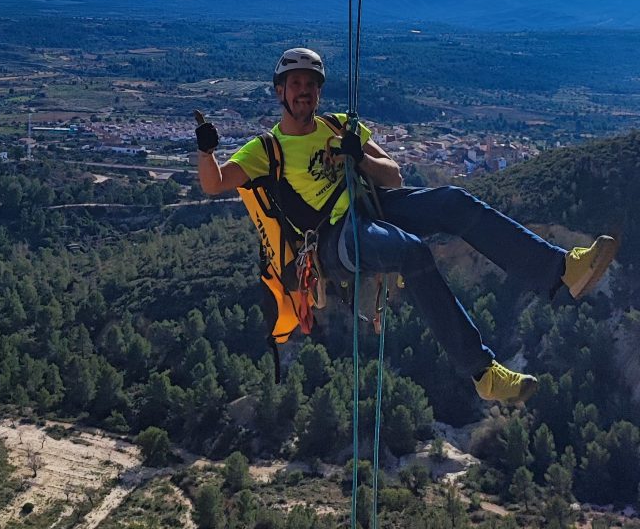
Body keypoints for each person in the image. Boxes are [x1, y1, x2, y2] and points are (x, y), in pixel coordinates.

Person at [195, 47, 619, 404]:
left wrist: (356, 155)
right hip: (331, 241)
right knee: (412, 251)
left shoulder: (340, 125)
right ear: (280, 93)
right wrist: (207, 150)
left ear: (318, 93)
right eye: (296, 85)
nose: (304, 92)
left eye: (311, 85)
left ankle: (562, 270)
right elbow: (214, 183)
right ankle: (483, 372)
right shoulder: (266, 149)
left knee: (454, 202)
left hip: (369, 209)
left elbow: (392, 175)